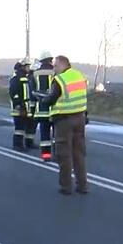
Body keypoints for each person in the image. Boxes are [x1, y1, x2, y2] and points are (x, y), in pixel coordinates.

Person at [33, 55, 88, 194]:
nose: (54, 69)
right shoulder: (79, 75)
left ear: (63, 64)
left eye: (56, 66)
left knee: (64, 155)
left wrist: (41, 99)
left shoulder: (60, 79)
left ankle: (66, 186)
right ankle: (82, 186)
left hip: (64, 120)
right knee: (78, 153)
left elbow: (51, 99)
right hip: (80, 118)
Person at [32, 54, 56, 161]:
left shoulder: (35, 74)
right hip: (55, 110)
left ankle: (46, 156)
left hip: (41, 110)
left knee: (44, 135)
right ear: (51, 60)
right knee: (57, 135)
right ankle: (57, 155)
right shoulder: (56, 72)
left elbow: (31, 92)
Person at [8, 61, 33, 150]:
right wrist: (19, 105)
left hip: (25, 108)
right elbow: (13, 93)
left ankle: (22, 145)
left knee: (23, 127)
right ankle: (17, 145)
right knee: (19, 128)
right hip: (19, 108)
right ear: (22, 67)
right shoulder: (16, 79)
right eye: (27, 66)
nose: (28, 68)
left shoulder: (24, 78)